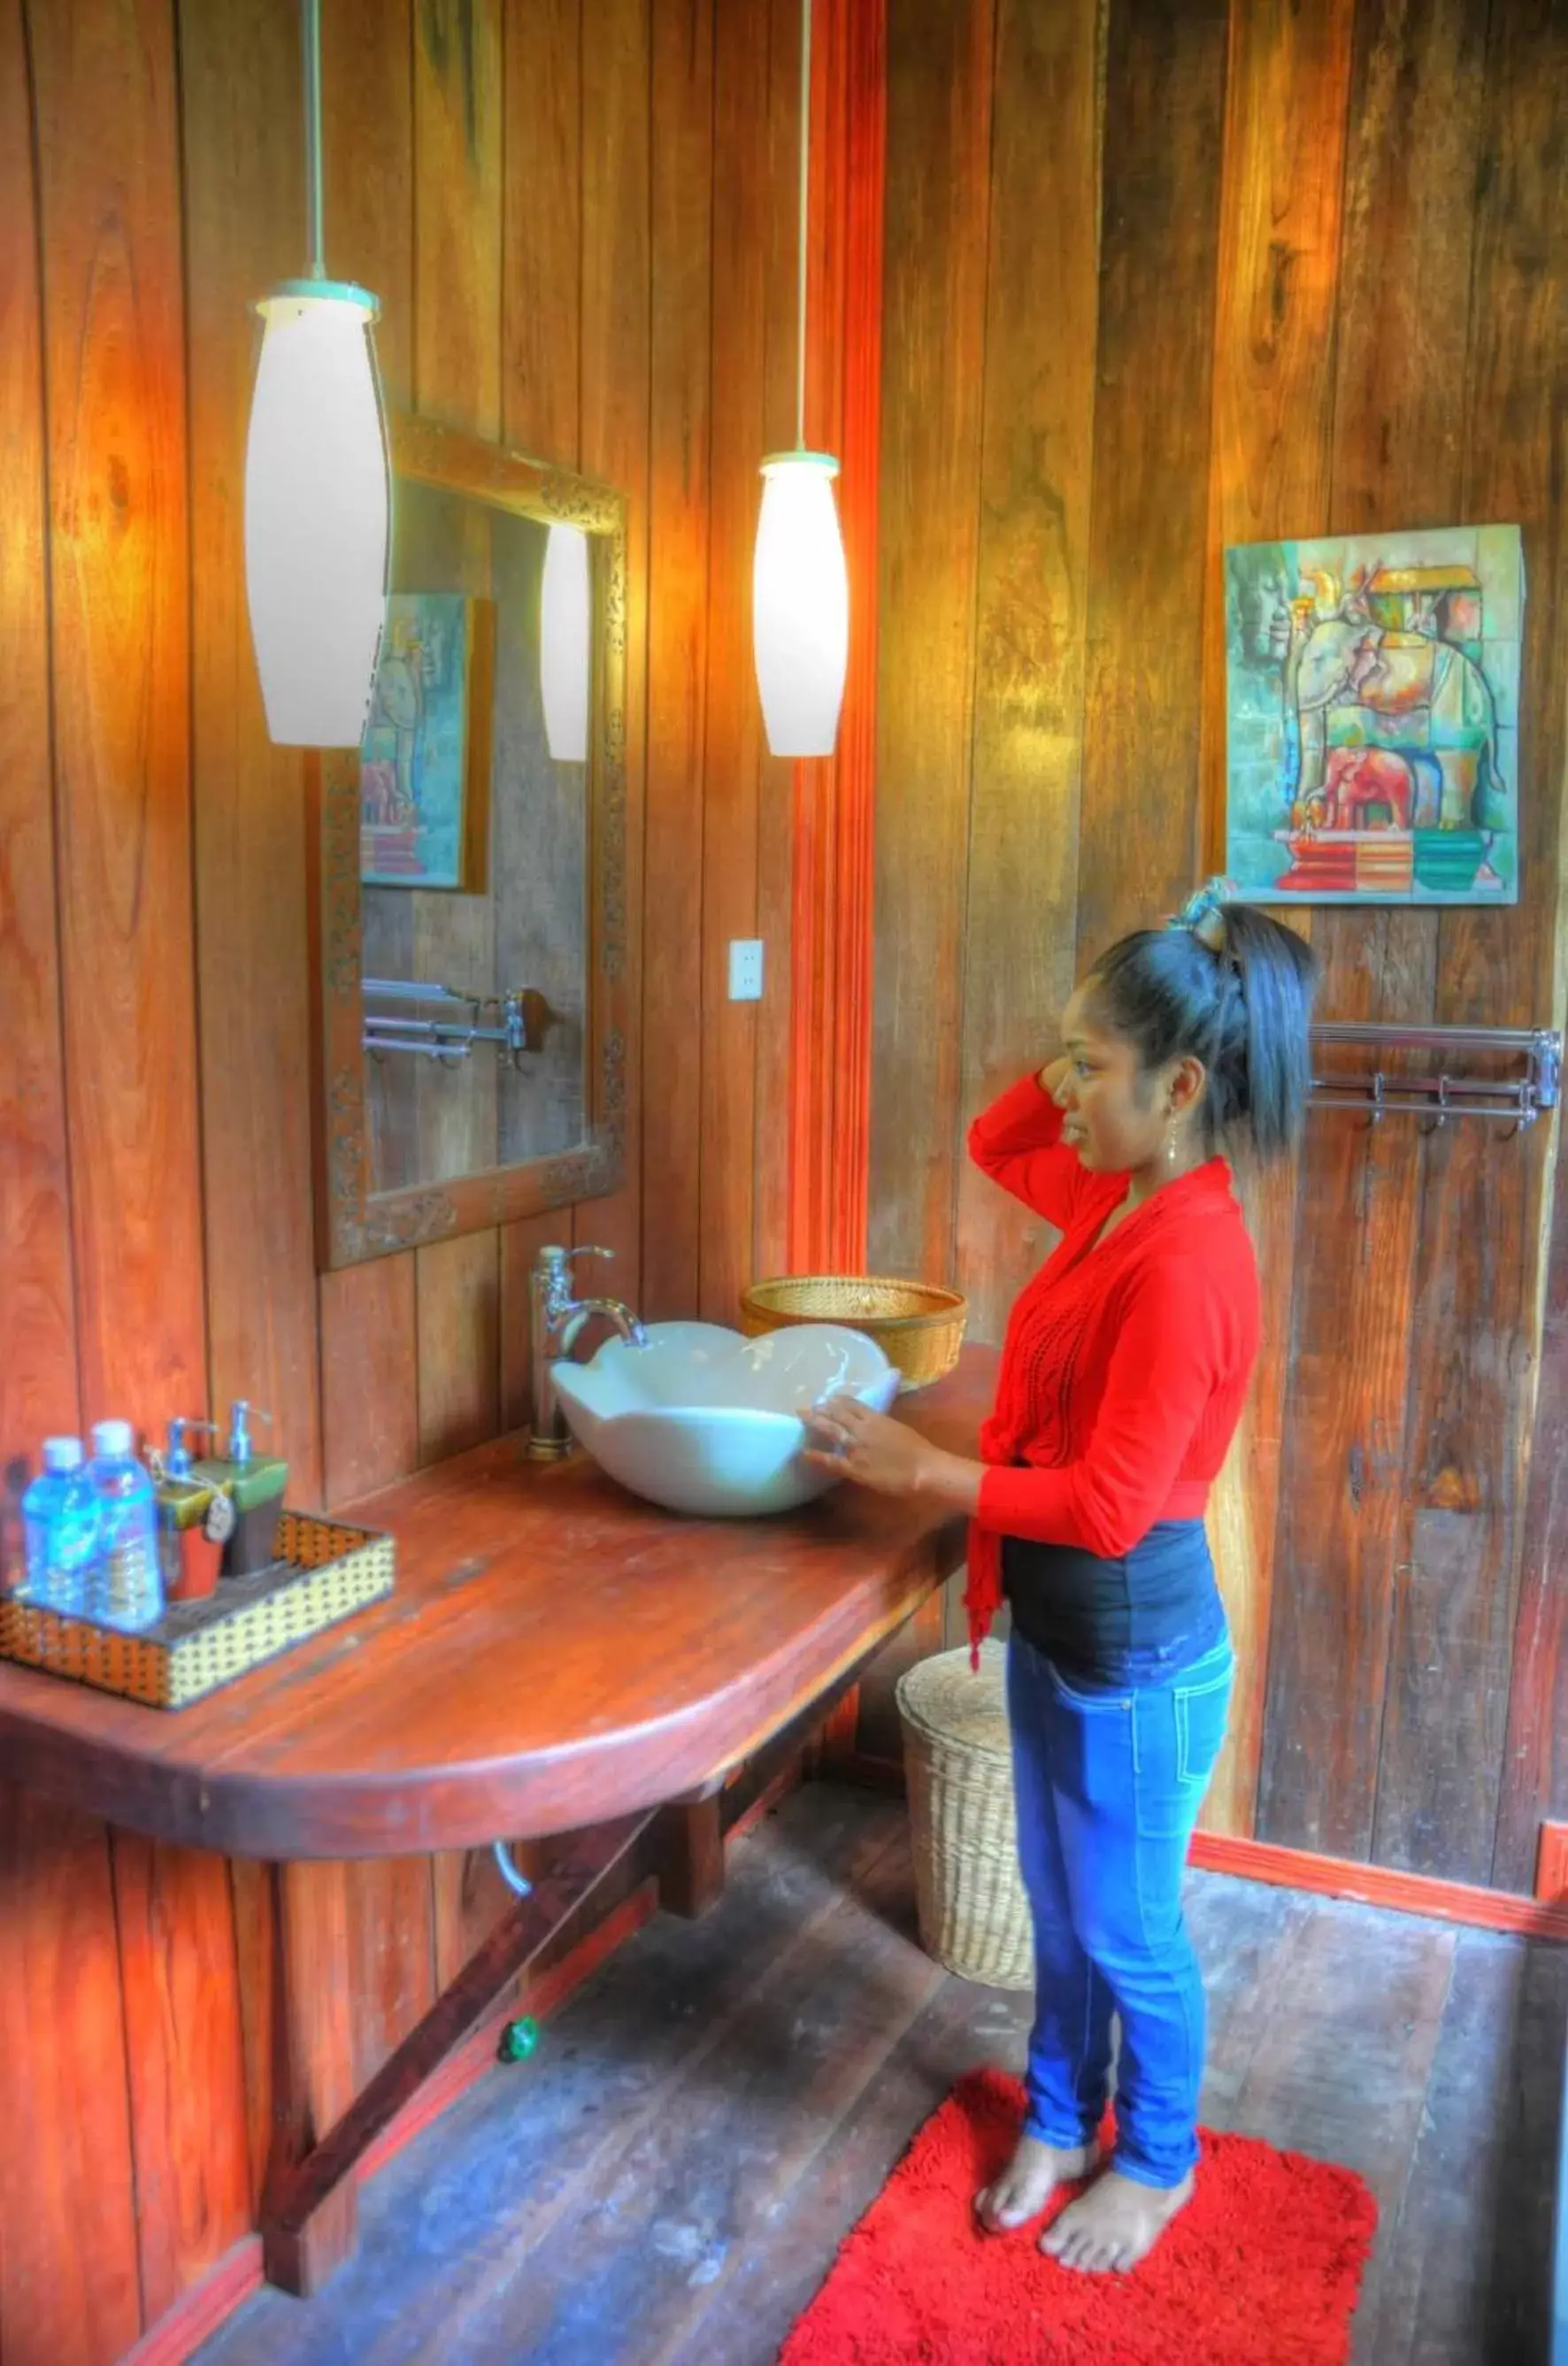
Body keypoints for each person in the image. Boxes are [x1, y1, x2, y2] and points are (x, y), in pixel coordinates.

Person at [803, 880, 1318, 2277]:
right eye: (1073, 1060)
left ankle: (1153, 2159)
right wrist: (1071, 1056)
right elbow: (994, 1137)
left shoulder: (1191, 1258)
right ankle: (1056, 2114)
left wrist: (924, 1473)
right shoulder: (1120, 1196)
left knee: (1128, 1929)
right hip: (1063, 1636)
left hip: (1138, 1658)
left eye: (1095, 1066)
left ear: (1185, 1084)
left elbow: (1102, 1505)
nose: (1069, 1091)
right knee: (1057, 1898)